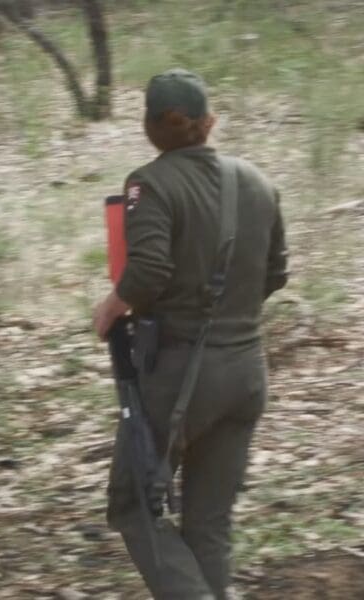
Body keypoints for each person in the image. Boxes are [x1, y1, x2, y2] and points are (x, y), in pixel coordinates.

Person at [92, 68, 288, 599]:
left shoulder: (149, 182)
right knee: (208, 526)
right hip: (247, 374)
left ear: (154, 126)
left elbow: (149, 273)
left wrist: (112, 307)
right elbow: (276, 274)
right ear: (210, 122)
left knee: (134, 505)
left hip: (178, 376)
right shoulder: (259, 182)